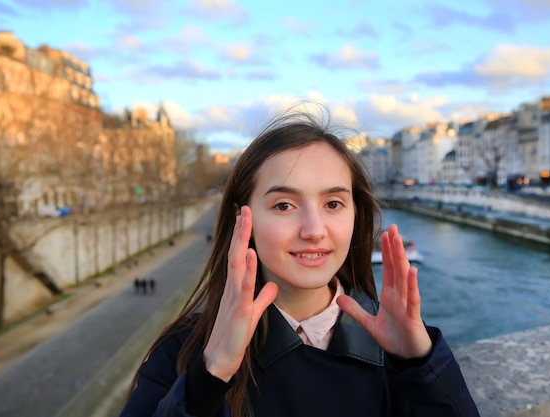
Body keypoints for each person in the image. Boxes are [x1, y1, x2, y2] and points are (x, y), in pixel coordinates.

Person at [119, 105, 480, 417]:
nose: (314, 230)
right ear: (242, 218)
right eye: (284, 205)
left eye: (333, 204)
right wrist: (208, 377)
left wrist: (421, 365)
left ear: (357, 214)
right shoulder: (184, 352)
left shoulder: (398, 350)